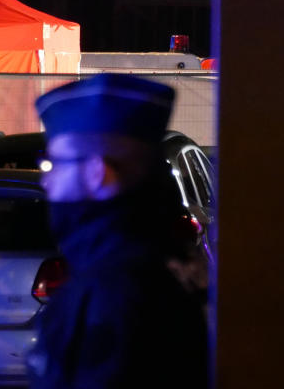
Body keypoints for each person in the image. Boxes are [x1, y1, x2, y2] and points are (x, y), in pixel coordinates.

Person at [27, 73, 209, 389]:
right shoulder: (167, 259)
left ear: (97, 172)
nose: (46, 181)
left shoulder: (109, 287)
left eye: (54, 164)